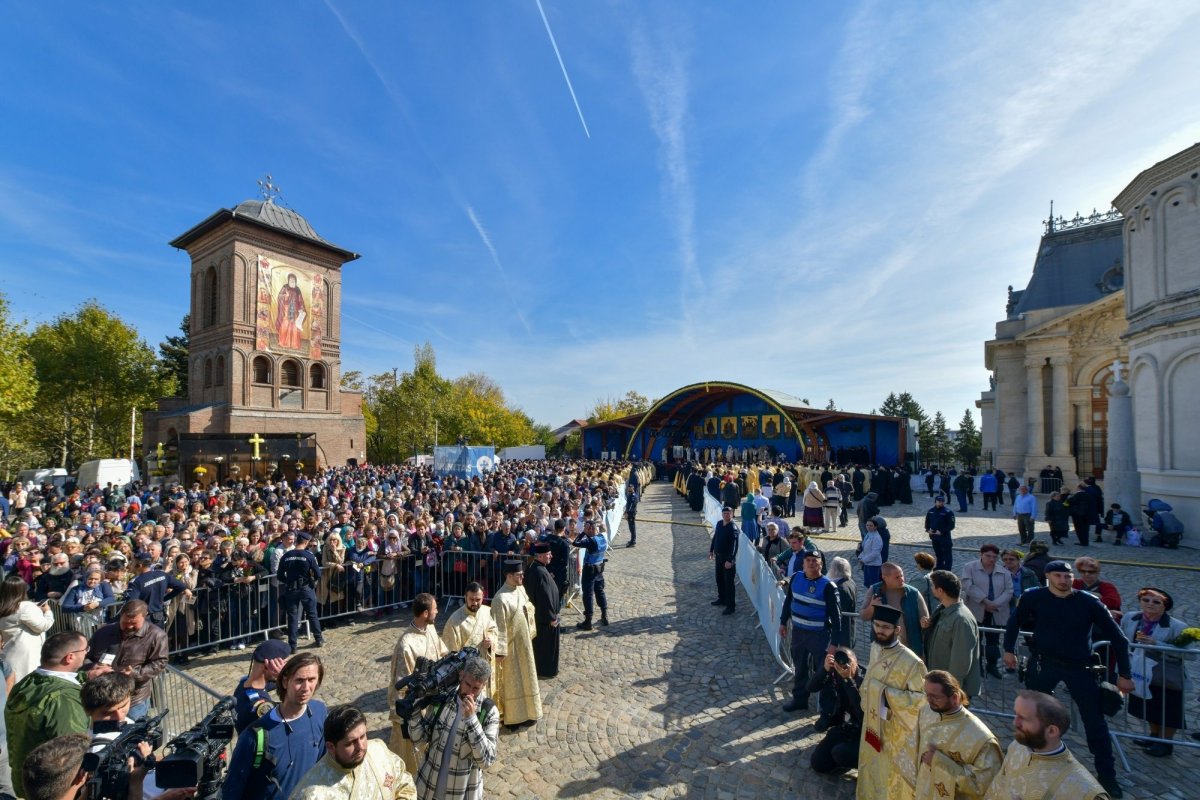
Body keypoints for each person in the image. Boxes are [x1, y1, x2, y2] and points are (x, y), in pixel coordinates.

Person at [1002, 560, 1131, 797]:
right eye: (1059, 576)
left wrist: (1125, 675)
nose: (1064, 580)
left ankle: (1107, 776)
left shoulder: (1089, 602)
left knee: (1095, 724)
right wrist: (1008, 649)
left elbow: (1119, 638)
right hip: (1045, 664)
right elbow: (1014, 622)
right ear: (1048, 577)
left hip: (1080, 667)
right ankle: (1030, 756)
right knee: (1032, 714)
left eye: (1068, 576)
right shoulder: (1034, 597)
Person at [224, 652, 328, 800]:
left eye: (311, 679)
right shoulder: (253, 736)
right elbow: (231, 791)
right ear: (285, 682)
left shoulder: (320, 711)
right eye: (299, 680)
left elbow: (323, 763)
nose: (306, 687)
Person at [982, 691, 1111, 800]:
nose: (1015, 723)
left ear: (1052, 731)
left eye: (1024, 718)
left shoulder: (1085, 791)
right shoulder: (1017, 746)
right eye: (1016, 715)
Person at [6, 631, 90, 797]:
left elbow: (53, 681)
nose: (87, 652)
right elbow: (73, 752)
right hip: (56, 789)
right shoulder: (65, 699)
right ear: (70, 657)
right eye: (85, 650)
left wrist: (85, 676)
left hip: (27, 781)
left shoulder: (28, 682)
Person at [856, 604, 927, 800]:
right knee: (870, 770)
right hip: (872, 724)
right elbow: (869, 680)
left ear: (897, 630)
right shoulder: (875, 648)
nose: (880, 630)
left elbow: (922, 701)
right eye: (876, 625)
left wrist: (885, 694)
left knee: (890, 778)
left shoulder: (913, 663)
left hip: (896, 733)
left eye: (886, 627)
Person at [409, 654, 498, 800]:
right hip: (427, 788)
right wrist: (414, 713)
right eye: (468, 684)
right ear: (461, 676)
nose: (470, 692)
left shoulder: (488, 712)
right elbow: (419, 738)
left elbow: (486, 760)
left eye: (476, 688)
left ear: (484, 685)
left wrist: (472, 720)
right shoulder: (443, 698)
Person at [290, 704, 417, 800]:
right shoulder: (311, 794)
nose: (361, 747)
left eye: (363, 736)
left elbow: (403, 782)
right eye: (350, 743)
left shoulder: (379, 750)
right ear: (331, 747)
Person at [1119, 587, 1190, 757]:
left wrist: (1156, 644)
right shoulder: (1130, 617)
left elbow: (1188, 653)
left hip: (1165, 675)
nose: (1150, 604)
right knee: (1148, 705)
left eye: (1156, 602)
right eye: (1146, 600)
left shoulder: (1177, 626)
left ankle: (1166, 743)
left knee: (1168, 708)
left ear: (1165, 606)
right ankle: (1154, 736)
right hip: (1140, 671)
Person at [915, 670, 1001, 800]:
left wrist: (940, 762)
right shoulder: (926, 712)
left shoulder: (982, 740)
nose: (929, 700)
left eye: (935, 696)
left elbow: (983, 786)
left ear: (955, 697)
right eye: (927, 694)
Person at [388, 593, 449, 773]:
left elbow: (442, 653)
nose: (437, 611)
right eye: (435, 609)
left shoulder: (429, 629)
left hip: (435, 699)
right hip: (417, 706)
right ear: (424, 613)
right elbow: (402, 685)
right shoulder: (406, 645)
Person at [778, 551, 844, 714]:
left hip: (819, 636)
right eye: (808, 560)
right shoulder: (796, 578)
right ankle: (800, 700)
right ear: (803, 563)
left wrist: (834, 644)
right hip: (799, 633)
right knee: (799, 668)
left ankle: (827, 709)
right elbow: (788, 601)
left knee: (824, 672)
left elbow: (837, 618)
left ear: (821, 564)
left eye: (815, 561)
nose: (811, 563)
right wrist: (783, 622)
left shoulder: (828, 586)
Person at [82, 600, 168, 720]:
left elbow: (160, 662)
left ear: (144, 617)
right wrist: (93, 668)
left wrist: (134, 674)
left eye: (134, 623)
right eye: (125, 623)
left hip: (133, 699)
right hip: (102, 698)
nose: (129, 626)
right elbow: (85, 657)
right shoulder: (102, 632)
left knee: (133, 735)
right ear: (120, 616)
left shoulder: (157, 635)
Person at [491, 560, 541, 730]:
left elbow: (528, 608)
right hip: (510, 649)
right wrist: (500, 652)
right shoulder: (500, 598)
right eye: (519, 575)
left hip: (524, 643)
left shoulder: (520, 588)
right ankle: (513, 717)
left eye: (522, 574)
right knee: (513, 683)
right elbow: (499, 627)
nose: (522, 577)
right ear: (509, 575)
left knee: (527, 677)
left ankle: (529, 712)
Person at [924, 571, 981, 699]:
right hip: (940, 685)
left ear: (940, 591)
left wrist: (951, 691)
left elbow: (961, 662)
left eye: (933, 586)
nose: (931, 589)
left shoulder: (961, 620)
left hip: (949, 691)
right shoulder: (944, 611)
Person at [807, 647, 864, 774]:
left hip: (864, 733)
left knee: (840, 753)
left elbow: (862, 714)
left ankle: (864, 765)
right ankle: (839, 760)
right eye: (841, 662)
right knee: (818, 763)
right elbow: (811, 687)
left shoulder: (865, 680)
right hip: (845, 727)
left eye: (849, 662)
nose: (845, 666)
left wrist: (848, 680)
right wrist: (825, 669)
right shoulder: (837, 673)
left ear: (856, 661)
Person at [960, 544, 1011, 679]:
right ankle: (976, 666)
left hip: (996, 612)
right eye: (988, 556)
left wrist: (995, 604)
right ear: (981, 554)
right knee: (976, 640)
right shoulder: (970, 567)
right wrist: (985, 601)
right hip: (976, 610)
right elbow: (968, 586)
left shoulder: (1004, 572)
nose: (991, 559)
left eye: (994, 557)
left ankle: (992, 665)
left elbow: (1008, 591)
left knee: (993, 640)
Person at [860, 562, 930, 659]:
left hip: (911, 651)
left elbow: (926, 619)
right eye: (897, 577)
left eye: (902, 575)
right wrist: (872, 606)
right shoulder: (874, 590)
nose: (902, 579)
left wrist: (924, 623)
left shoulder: (913, 593)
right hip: (883, 651)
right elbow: (863, 616)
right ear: (885, 577)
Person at [441, 583, 498, 699]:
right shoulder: (454, 620)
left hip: (485, 669)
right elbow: (450, 652)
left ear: (483, 598)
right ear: (465, 597)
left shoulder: (488, 612)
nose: (475, 603)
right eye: (471, 599)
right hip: (466, 674)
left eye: (478, 599)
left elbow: (494, 630)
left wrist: (490, 640)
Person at [0, 574, 55, 682]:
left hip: (9, 651)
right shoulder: (25, 607)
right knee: (26, 684)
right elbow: (43, 626)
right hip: (27, 655)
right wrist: (47, 611)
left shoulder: (3, 607)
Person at [233, 638, 291, 734]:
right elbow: (289, 712)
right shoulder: (261, 705)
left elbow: (269, 685)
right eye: (284, 664)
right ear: (268, 665)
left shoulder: (244, 684)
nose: (286, 669)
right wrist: (284, 679)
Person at [279, 531, 324, 651]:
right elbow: (318, 574)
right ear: (306, 542)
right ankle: (318, 639)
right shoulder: (309, 556)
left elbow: (279, 575)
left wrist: (288, 581)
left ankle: (293, 646)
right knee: (312, 614)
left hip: (291, 589)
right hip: (306, 588)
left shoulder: (287, 555)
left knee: (292, 618)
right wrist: (311, 582)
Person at [124, 553, 191, 628]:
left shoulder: (135, 582)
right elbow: (181, 586)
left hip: (144, 619)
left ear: (139, 565)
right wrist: (164, 598)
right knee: (159, 638)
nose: (131, 564)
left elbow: (131, 604)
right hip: (158, 617)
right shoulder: (161, 574)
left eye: (133, 562)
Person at [525, 543, 560, 679]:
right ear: (539, 556)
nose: (551, 556)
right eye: (548, 554)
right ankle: (546, 670)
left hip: (541, 617)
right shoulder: (539, 572)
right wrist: (552, 618)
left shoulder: (536, 568)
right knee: (545, 648)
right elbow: (545, 598)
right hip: (546, 620)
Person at [571, 519, 610, 629]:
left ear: (590, 529)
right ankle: (604, 615)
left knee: (588, 594)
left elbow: (575, 543)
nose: (585, 529)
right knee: (600, 591)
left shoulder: (590, 541)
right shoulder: (602, 537)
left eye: (586, 527)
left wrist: (583, 532)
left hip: (589, 570)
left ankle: (588, 621)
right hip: (599, 568)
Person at [708, 506, 739, 616]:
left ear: (731, 514)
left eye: (728, 513)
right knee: (719, 579)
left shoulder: (733, 527)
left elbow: (734, 545)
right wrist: (711, 550)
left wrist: (730, 560)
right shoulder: (720, 524)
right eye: (724, 513)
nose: (726, 515)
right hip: (718, 557)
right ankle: (722, 599)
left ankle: (731, 606)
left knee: (729, 583)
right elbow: (715, 537)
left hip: (728, 560)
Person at [924, 495, 956, 571]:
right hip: (934, 536)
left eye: (942, 501)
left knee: (947, 555)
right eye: (939, 501)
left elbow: (951, 525)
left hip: (944, 537)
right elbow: (927, 521)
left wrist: (941, 531)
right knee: (938, 553)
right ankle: (939, 566)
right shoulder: (931, 511)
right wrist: (928, 529)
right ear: (935, 501)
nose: (941, 503)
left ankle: (947, 569)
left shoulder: (948, 512)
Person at [275, 272, 306, 349]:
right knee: (286, 323)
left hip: (295, 309)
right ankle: (283, 342)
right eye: (291, 280)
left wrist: (301, 308)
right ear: (288, 280)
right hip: (286, 308)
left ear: (295, 281)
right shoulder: (285, 287)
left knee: (295, 326)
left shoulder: (297, 289)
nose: (292, 281)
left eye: (293, 280)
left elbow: (300, 300)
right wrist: (286, 296)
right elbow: (280, 297)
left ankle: (294, 344)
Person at [1066, 482, 1097, 547]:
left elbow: (1066, 503)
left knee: (1079, 529)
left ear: (1078, 488)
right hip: (1087, 515)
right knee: (1086, 529)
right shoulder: (1089, 495)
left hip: (1077, 515)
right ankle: (1086, 541)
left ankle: (1082, 541)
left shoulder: (1076, 495)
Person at [858, 519, 884, 589]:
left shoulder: (876, 538)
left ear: (875, 527)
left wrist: (864, 560)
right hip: (867, 563)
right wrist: (861, 557)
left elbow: (875, 553)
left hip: (874, 565)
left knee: (874, 585)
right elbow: (865, 549)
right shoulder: (869, 534)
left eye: (871, 526)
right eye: (867, 525)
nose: (868, 527)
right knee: (868, 584)